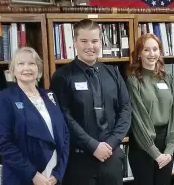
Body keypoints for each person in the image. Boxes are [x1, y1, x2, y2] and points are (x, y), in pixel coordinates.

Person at [50, 19, 131, 185]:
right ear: (75, 43)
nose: (90, 46)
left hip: (111, 158)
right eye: (84, 41)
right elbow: (64, 116)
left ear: (100, 41)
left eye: (94, 41)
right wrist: (93, 146)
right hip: (79, 161)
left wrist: (111, 143)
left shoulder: (113, 74)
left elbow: (125, 110)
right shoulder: (62, 76)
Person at [0, 47, 70, 185]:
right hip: (24, 177)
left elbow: (65, 135)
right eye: (21, 64)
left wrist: (58, 173)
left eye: (31, 63)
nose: (26, 68)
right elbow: (4, 143)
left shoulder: (49, 95)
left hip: (53, 177)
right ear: (13, 70)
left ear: (38, 69)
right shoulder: (6, 98)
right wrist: (32, 174)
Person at [126, 33, 174, 185]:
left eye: (155, 49)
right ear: (139, 54)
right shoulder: (133, 81)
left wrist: (169, 149)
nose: (152, 54)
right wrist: (154, 152)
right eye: (146, 50)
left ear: (160, 51)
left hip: (166, 143)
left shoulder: (168, 79)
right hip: (143, 145)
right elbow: (138, 118)